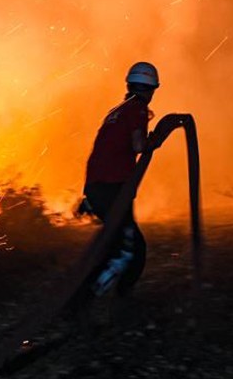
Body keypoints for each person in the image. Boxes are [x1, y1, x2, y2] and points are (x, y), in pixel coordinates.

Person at [80, 61, 161, 298]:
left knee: (116, 243)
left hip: (98, 186)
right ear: (151, 89)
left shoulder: (117, 110)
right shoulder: (136, 109)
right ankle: (94, 298)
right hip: (112, 188)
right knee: (130, 249)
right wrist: (153, 142)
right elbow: (138, 145)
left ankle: (102, 296)